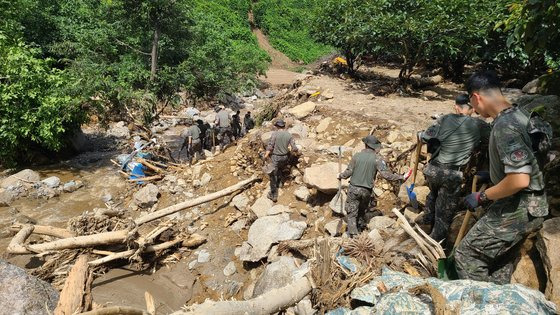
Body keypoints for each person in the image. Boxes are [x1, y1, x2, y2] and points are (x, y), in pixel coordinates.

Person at [455, 70, 549, 284]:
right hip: (534, 206)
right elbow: (527, 160)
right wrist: (496, 172)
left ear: (476, 97)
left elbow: (519, 180)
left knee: (467, 256)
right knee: (499, 264)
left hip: (518, 206)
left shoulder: (505, 126)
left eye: (472, 103)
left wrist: (482, 197)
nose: (474, 109)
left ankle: (479, 305)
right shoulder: (520, 114)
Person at [415, 94, 491, 243]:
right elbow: (489, 141)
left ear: (457, 107)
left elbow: (424, 137)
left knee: (433, 194)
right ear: (472, 108)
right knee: (444, 216)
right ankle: (434, 244)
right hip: (451, 174)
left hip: (432, 170)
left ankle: (425, 222)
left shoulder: (444, 119)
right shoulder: (479, 125)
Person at [339, 135, 411, 237]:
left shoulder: (357, 156)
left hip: (354, 189)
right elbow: (386, 175)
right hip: (366, 191)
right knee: (361, 210)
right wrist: (401, 177)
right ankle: (360, 228)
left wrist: (340, 176)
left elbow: (348, 172)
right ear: (374, 146)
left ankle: (354, 237)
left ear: (365, 145)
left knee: (351, 213)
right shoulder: (377, 159)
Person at [263, 119, 299, 202]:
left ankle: (273, 195)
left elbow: (270, 146)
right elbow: (294, 147)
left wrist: (266, 155)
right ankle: (279, 184)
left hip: (276, 157)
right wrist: (296, 152)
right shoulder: (289, 135)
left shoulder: (275, 134)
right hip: (285, 157)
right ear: (283, 126)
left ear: (277, 126)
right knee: (280, 169)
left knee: (272, 175)